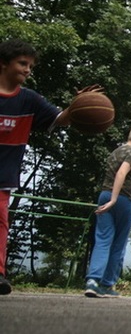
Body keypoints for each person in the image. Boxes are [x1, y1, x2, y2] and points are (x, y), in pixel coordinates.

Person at [0, 38, 85, 295]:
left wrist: (78, 106)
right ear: (3, 63)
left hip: (3, 177)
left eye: (31, 66)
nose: (27, 70)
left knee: (0, 222)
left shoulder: (29, 100)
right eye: (22, 63)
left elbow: (60, 119)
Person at [84, 124, 131, 298]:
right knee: (118, 245)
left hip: (105, 196)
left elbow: (117, 179)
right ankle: (107, 285)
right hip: (121, 202)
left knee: (102, 239)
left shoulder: (116, 152)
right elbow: (121, 174)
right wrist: (116, 199)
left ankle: (92, 281)